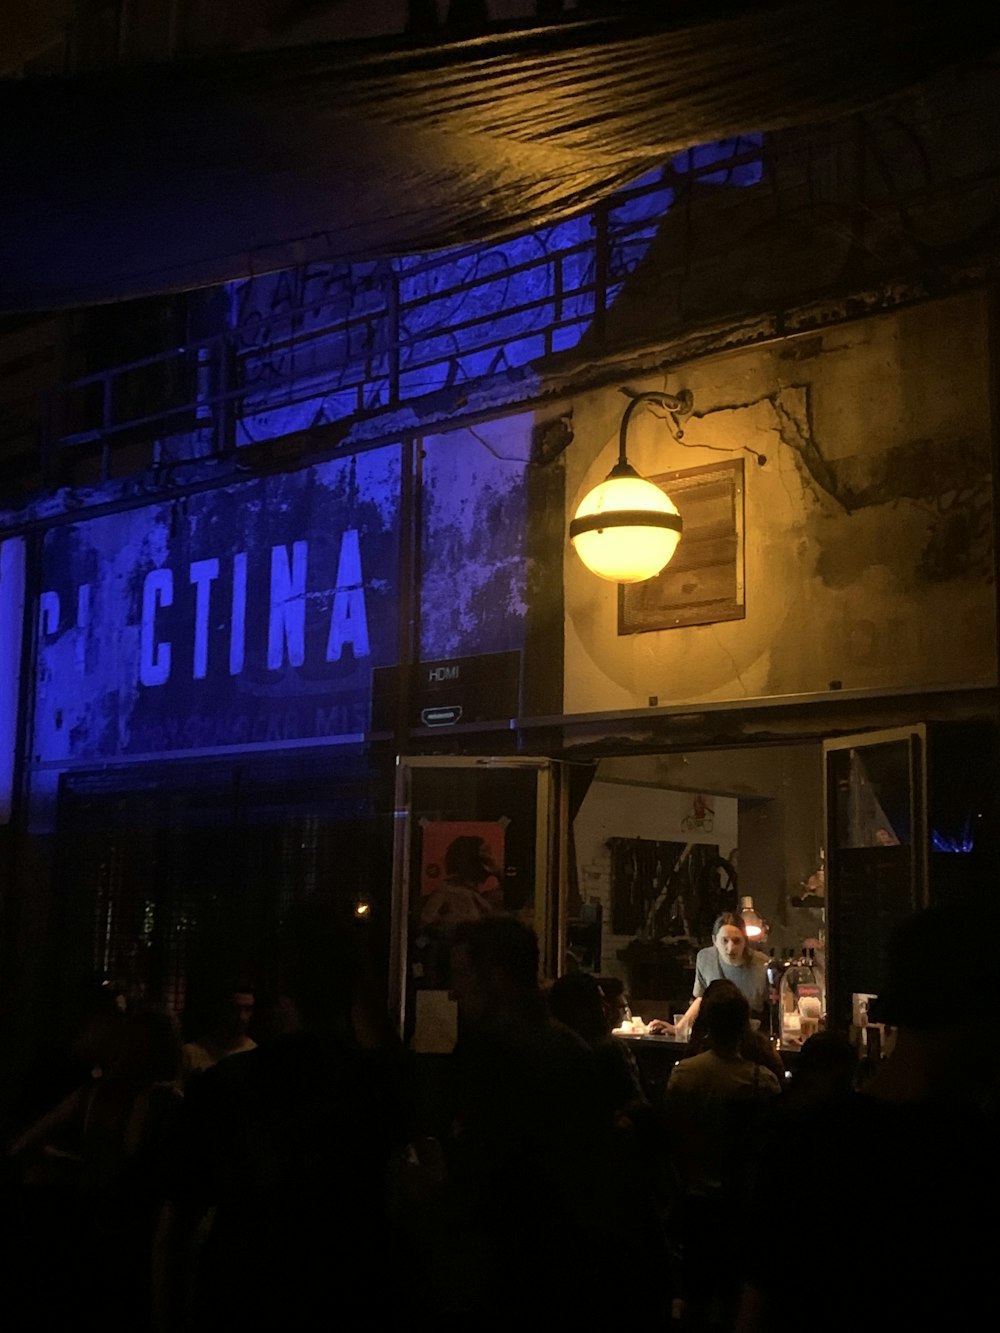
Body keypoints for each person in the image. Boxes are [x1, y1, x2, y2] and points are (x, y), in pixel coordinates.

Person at [651, 911, 768, 1037]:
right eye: (724, 941)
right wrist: (679, 1028)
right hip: (716, 1032)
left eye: (736, 941)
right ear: (714, 940)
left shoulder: (763, 965)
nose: (730, 948)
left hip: (753, 1032)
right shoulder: (705, 958)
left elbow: (776, 1005)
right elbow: (701, 998)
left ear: (745, 941)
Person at [180, 983, 256, 1086]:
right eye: (234, 1009)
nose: (242, 1017)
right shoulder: (190, 1054)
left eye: (247, 1009)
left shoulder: (254, 1054)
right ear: (220, 1009)